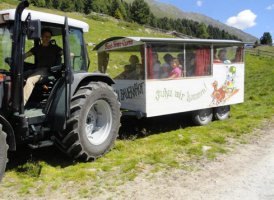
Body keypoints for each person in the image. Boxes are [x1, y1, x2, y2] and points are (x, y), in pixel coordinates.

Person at [23, 28, 62, 105]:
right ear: (41, 37)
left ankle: (20, 105)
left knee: (30, 80)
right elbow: (26, 55)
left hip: (47, 71)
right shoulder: (37, 48)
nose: (47, 38)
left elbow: (64, 52)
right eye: (45, 36)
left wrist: (70, 54)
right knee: (18, 76)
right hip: (37, 70)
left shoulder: (55, 48)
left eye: (49, 36)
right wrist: (17, 58)